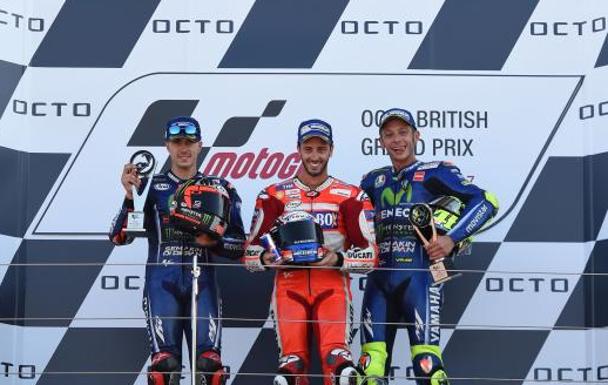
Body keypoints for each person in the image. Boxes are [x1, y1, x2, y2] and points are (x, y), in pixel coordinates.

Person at [358, 108, 499, 385]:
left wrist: (451, 239)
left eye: (403, 132)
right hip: (378, 282)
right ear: (380, 142)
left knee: (428, 369)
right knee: (370, 369)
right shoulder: (372, 180)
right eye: (389, 135)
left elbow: (486, 201)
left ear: (416, 136)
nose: (397, 140)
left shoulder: (436, 172)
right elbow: (354, 225)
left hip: (421, 280)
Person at [109, 116, 246, 385]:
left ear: (200, 145)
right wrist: (129, 197)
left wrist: (214, 243)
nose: (184, 148)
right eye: (177, 142)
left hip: (203, 285)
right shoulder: (148, 186)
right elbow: (118, 237)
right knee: (164, 369)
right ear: (167, 146)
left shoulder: (220, 187)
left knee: (210, 367)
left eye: (190, 142)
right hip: (162, 283)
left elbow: (239, 244)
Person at [243, 119, 378, 385]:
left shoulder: (351, 196)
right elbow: (249, 255)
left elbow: (371, 256)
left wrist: (337, 258)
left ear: (331, 150)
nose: (315, 156)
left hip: (333, 287)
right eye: (309, 148)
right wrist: (265, 258)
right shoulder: (273, 195)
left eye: (321, 148)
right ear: (298, 149)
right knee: (291, 369)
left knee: (340, 365)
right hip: (288, 287)